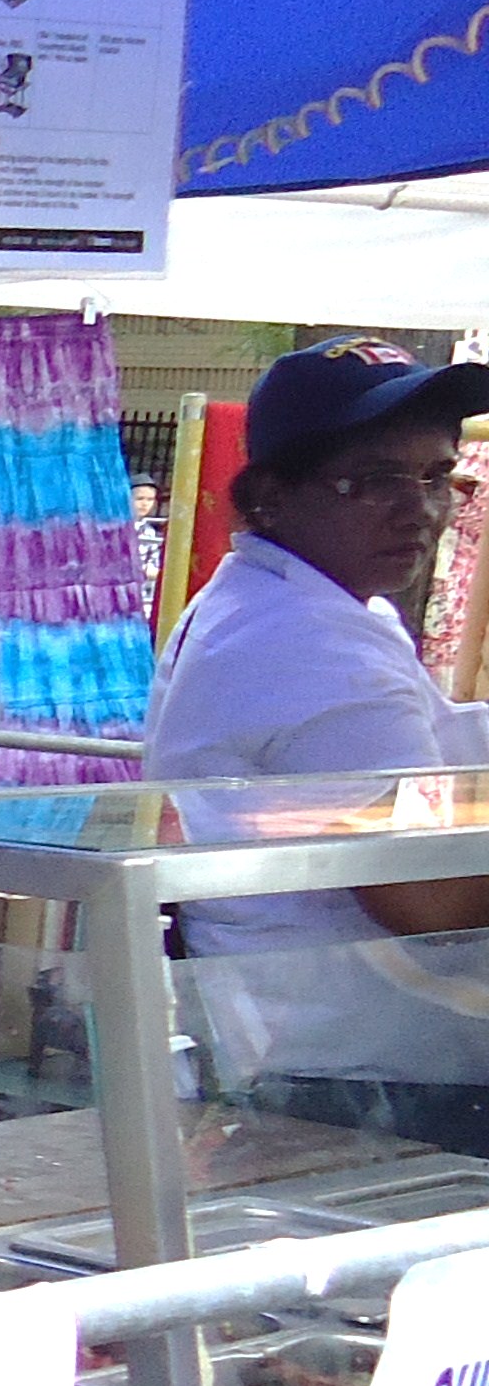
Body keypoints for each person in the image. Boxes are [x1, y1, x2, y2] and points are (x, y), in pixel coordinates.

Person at [144, 336, 489, 1147]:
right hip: (365, 1082)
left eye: (437, 477)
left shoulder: (308, 607)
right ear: (270, 496)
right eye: (372, 481)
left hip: (318, 1053)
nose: (420, 509)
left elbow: (430, 749)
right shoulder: (308, 642)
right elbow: (427, 900)